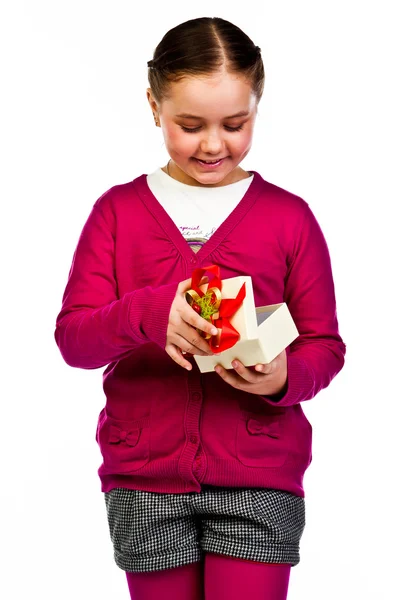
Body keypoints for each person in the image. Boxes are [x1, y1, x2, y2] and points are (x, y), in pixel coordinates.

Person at [54, 16, 346, 600]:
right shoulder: (117, 213)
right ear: (153, 106)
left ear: (258, 107)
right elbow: (74, 340)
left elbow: (325, 346)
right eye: (190, 126)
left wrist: (285, 374)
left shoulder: (289, 218)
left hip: (260, 475)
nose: (214, 144)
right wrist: (146, 312)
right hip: (144, 479)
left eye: (235, 124)